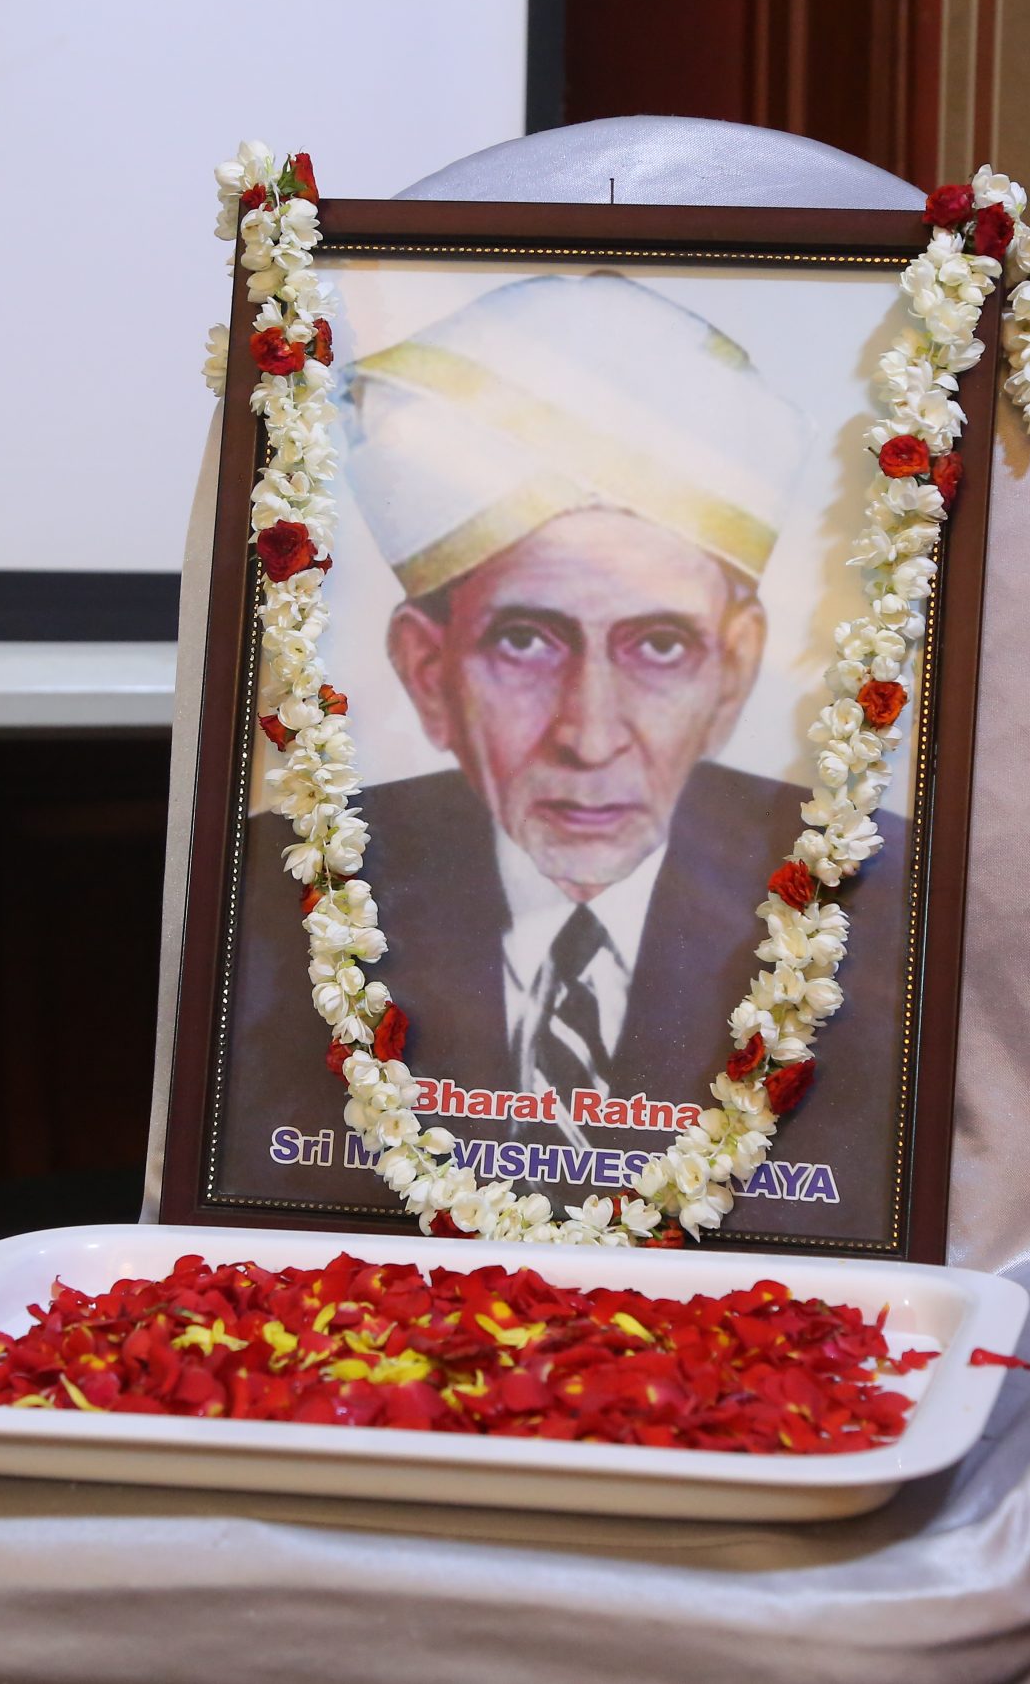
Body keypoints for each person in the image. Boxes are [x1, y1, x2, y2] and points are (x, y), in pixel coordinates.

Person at [220, 273, 908, 1245]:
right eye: (525, 641)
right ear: (428, 672)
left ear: (734, 670)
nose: (589, 735)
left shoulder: (883, 901)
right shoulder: (273, 892)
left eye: (659, 645)